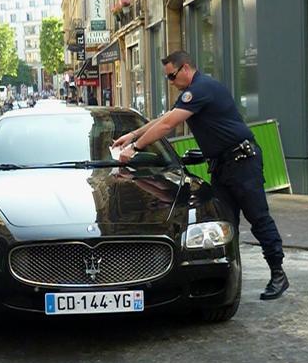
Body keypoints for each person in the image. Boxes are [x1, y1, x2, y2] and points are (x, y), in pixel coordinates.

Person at [113, 50, 288, 301]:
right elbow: (164, 118)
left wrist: (136, 148)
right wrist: (132, 135)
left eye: (172, 76)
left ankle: (278, 273)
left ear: (185, 69)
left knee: (258, 217)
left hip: (241, 162)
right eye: (168, 79)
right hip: (221, 165)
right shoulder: (191, 94)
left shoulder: (200, 89)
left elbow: (167, 126)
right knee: (225, 224)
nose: (170, 82)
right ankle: (229, 280)